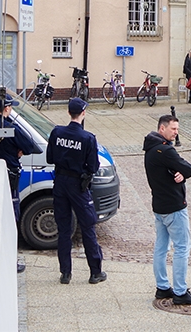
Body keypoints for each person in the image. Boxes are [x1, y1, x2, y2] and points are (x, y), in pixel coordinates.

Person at [46, 98, 106, 285]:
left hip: (60, 183)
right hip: (78, 186)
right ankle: (95, 272)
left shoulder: (57, 132)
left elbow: (49, 158)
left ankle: (65, 273)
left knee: (64, 229)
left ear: (68, 112)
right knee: (88, 226)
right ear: (83, 113)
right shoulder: (88, 138)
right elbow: (94, 166)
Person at [143, 114, 191, 305]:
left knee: (161, 247)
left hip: (159, 206)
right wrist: (183, 173)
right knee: (182, 247)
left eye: (177, 129)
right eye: (173, 129)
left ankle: (162, 287)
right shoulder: (166, 151)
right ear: (162, 129)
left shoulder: (151, 149)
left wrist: (179, 175)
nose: (176, 133)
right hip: (174, 207)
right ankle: (180, 291)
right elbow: (189, 168)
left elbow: (175, 171)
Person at [0, 91, 42, 272]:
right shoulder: (11, 128)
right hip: (11, 176)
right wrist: (20, 149)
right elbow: (32, 146)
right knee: (11, 218)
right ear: (7, 108)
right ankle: (10, 260)